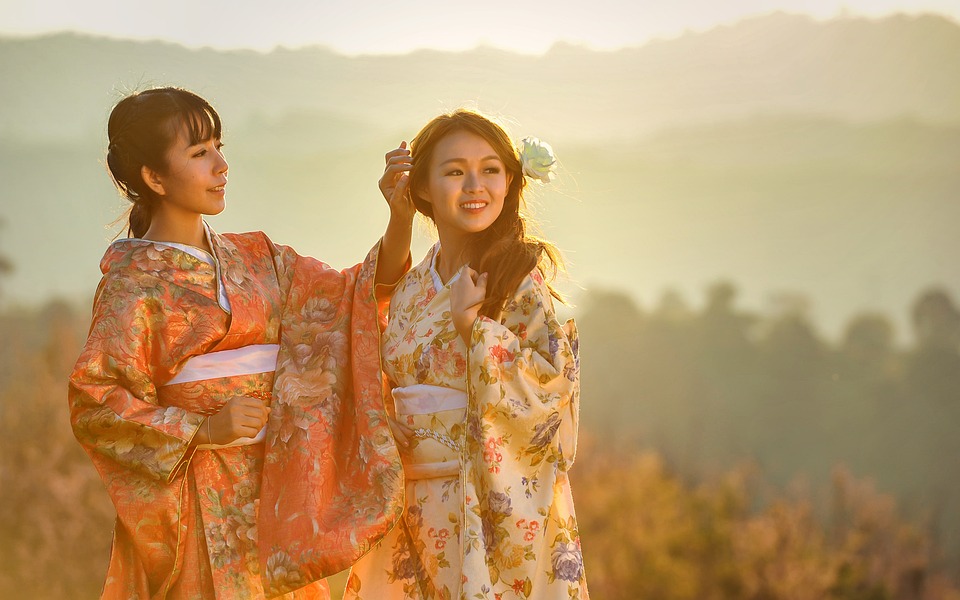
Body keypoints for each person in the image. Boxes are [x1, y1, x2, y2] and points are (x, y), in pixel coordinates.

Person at [68, 87, 413, 599]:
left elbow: (353, 296)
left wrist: (401, 214)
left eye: (219, 146)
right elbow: (96, 402)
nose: (221, 165)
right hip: (196, 501)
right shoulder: (132, 283)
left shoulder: (258, 256)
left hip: (276, 493)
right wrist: (201, 429)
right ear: (153, 177)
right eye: (200, 153)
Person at [344, 110, 587, 599]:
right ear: (425, 188)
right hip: (410, 504)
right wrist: (399, 218)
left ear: (510, 180)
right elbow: (358, 318)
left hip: (482, 504)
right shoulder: (415, 284)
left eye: (490, 169)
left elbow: (550, 398)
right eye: (455, 171)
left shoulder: (517, 277)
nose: (475, 185)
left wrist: (475, 330)